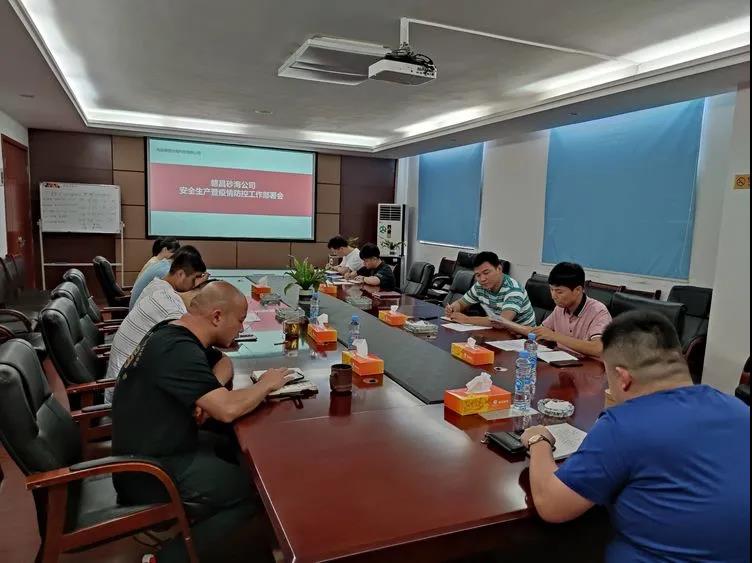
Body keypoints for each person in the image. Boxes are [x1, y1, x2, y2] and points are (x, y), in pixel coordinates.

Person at [520, 311, 750, 563]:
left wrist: (538, 440)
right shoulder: (739, 410)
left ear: (623, 378)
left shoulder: (624, 424)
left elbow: (552, 505)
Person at [112, 281, 294, 562]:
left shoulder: (173, 331)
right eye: (240, 320)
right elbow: (227, 410)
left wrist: (208, 390)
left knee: (229, 444)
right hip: (149, 471)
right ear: (217, 316)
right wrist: (266, 384)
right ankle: (168, 558)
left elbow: (223, 362)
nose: (242, 329)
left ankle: (201, 516)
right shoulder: (178, 351)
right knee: (255, 490)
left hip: (154, 447)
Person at [104, 246, 209, 402]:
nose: (195, 285)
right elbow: (195, 346)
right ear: (181, 274)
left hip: (123, 381)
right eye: (195, 279)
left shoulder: (156, 286)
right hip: (125, 397)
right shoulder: (169, 305)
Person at [529, 262, 612, 357]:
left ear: (578, 290)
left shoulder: (598, 311)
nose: (553, 296)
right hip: (561, 361)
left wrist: (555, 336)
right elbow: (542, 332)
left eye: (559, 292)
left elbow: (598, 349)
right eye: (551, 289)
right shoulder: (560, 308)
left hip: (587, 364)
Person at [445, 251, 536, 327]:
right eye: (478, 275)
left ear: (499, 269)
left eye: (486, 273)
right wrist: (453, 308)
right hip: (499, 333)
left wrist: (466, 319)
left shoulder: (513, 289)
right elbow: (461, 303)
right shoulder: (480, 286)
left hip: (523, 338)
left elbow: (502, 322)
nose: (482, 279)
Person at [130, 244, 208, 309]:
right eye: (194, 278)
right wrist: (199, 287)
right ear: (181, 274)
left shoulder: (163, 269)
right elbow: (186, 303)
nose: (194, 283)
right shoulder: (165, 271)